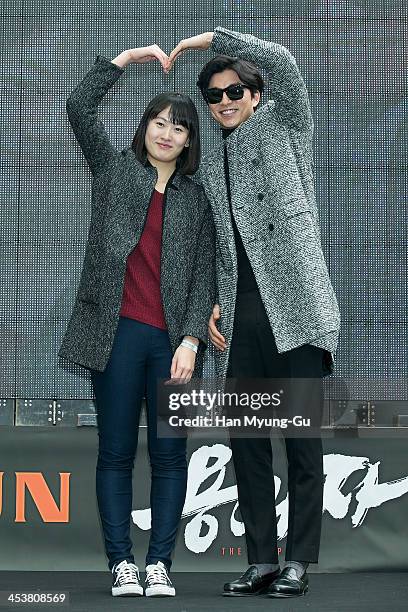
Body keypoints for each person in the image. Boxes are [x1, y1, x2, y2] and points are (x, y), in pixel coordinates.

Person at [166, 28, 340, 598]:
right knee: (248, 443)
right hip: (241, 318)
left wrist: (211, 39)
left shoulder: (286, 126)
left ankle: (299, 561)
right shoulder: (213, 162)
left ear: (257, 94)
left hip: (298, 312)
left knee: (302, 443)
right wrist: (217, 301)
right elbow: (223, 244)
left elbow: (284, 58)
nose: (224, 102)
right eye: (213, 96)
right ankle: (263, 559)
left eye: (234, 90)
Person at [58, 44, 215, 598]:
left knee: (172, 456)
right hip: (117, 336)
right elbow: (79, 107)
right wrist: (125, 59)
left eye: (178, 127)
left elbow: (204, 276)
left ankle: (158, 566)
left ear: (190, 140)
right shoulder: (114, 169)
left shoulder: (199, 198)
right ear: (144, 127)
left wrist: (192, 341)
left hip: (173, 345)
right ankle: (123, 563)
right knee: (117, 451)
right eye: (158, 121)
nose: (167, 133)